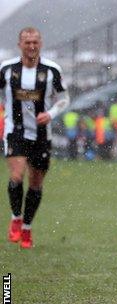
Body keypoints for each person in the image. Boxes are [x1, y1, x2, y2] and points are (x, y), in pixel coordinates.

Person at [1, 27, 70, 248]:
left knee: (36, 183)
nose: (31, 46)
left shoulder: (51, 70)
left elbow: (64, 99)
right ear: (19, 44)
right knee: (17, 174)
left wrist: (50, 114)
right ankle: (15, 219)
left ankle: (27, 228)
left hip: (42, 135)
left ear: (40, 44)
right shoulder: (7, 69)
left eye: (35, 42)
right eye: (27, 42)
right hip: (15, 131)